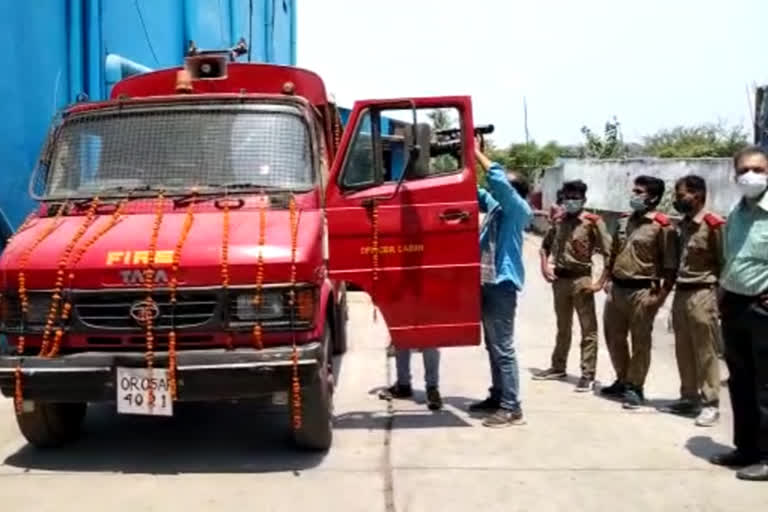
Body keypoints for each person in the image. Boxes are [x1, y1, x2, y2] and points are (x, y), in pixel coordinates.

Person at [709, 146, 768, 481]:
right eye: (745, 169)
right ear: (735, 175)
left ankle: (766, 455)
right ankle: (745, 448)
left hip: (763, 307)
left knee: (766, 386)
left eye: (759, 170)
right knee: (741, 381)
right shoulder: (737, 213)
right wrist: (721, 296)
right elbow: (732, 259)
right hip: (735, 304)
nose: (751, 176)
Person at [470, 137, 533, 428]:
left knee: (503, 347)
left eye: (502, 187)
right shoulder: (497, 208)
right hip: (488, 281)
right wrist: (465, 159)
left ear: (514, 192)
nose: (495, 190)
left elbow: (496, 181)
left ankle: (512, 407)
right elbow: (475, 190)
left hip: (502, 285)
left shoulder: (517, 210)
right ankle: (498, 396)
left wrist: (477, 152)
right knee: (493, 346)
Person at [601, 175, 678, 409]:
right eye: (633, 191)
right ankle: (622, 379)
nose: (633, 196)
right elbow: (613, 252)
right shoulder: (624, 221)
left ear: (653, 197)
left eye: (639, 192)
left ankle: (636, 387)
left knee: (640, 342)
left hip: (643, 290)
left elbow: (670, 266)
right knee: (614, 338)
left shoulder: (662, 227)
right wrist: (607, 280)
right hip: (618, 288)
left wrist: (660, 297)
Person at [535, 179, 611, 391]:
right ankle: (558, 366)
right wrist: (544, 267)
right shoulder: (559, 221)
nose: (570, 202)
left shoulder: (592, 222)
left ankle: (588, 374)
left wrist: (600, 282)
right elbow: (544, 247)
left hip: (581, 279)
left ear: (583, 199)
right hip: (560, 279)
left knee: (588, 329)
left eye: (575, 198)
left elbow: (609, 253)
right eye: (567, 197)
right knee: (563, 327)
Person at [664, 175, 723, 427]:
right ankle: (688, 397)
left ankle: (710, 403)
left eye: (680, 195)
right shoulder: (683, 225)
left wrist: (719, 301)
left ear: (697, 195)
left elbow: (724, 263)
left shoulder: (713, 224)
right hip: (682, 290)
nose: (677, 200)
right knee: (683, 347)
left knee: (705, 351)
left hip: (703, 291)